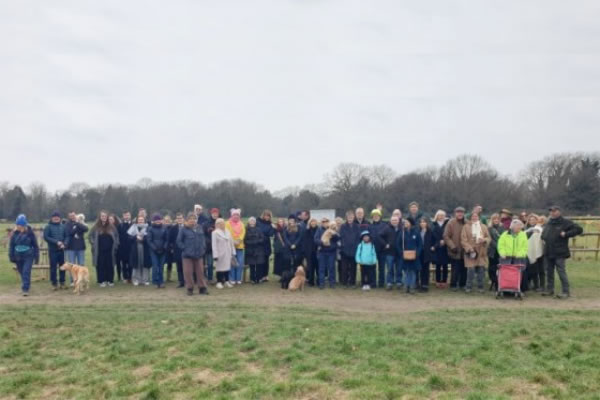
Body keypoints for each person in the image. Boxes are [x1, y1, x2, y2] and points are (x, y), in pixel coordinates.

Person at [541, 206, 583, 299]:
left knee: (561, 271)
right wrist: (543, 237)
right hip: (548, 251)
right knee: (549, 272)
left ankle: (565, 291)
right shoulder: (549, 222)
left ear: (559, 212)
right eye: (551, 211)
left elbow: (579, 229)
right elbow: (544, 234)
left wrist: (566, 234)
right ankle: (550, 289)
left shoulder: (566, 222)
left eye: (554, 211)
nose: (552, 213)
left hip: (560, 252)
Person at [177, 212, 209, 295]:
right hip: (187, 255)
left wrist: (203, 249)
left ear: (196, 220)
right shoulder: (183, 229)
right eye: (190, 219)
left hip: (199, 255)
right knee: (188, 273)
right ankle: (190, 288)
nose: (192, 220)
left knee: (200, 272)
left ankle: (202, 288)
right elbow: (179, 241)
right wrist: (185, 249)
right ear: (187, 220)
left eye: (194, 219)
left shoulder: (200, 228)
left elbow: (203, 240)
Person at [9, 214, 39, 296]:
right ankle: (27, 284)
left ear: (25, 225)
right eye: (18, 225)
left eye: (21, 225)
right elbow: (11, 246)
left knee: (26, 271)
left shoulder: (30, 233)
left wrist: (37, 257)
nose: (20, 227)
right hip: (18, 256)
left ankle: (25, 289)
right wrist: (11, 256)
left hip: (28, 256)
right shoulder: (14, 234)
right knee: (22, 272)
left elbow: (35, 245)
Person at [460, 212, 490, 293]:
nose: (474, 217)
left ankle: (481, 287)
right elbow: (463, 240)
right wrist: (469, 248)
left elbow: (488, 238)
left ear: (478, 217)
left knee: (481, 270)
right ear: (470, 217)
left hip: (481, 252)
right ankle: (468, 287)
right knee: (471, 270)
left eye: (476, 216)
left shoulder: (483, 227)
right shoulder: (466, 227)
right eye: (473, 216)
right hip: (471, 252)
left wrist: (484, 240)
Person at [88, 211, 119, 287]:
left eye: (105, 216)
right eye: (102, 216)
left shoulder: (112, 226)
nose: (103, 217)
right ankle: (101, 281)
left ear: (107, 217)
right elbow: (90, 236)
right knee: (100, 265)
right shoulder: (96, 226)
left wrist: (116, 245)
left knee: (110, 265)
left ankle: (110, 281)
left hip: (110, 251)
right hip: (99, 251)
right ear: (100, 217)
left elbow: (116, 236)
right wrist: (93, 243)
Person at [396, 217, 422, 294]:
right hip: (404, 256)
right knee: (406, 271)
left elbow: (420, 244)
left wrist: (417, 253)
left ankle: (412, 287)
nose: (405, 223)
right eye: (405, 222)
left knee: (413, 272)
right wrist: (401, 252)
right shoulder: (402, 232)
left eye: (407, 222)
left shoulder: (416, 232)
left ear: (411, 223)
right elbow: (398, 244)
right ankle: (406, 286)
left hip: (414, 256)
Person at [444, 207, 467, 291]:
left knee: (464, 269)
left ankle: (463, 284)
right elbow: (446, 236)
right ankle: (453, 284)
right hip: (455, 249)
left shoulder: (467, 222)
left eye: (461, 212)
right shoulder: (451, 223)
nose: (460, 214)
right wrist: (452, 246)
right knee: (455, 269)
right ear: (455, 213)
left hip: (465, 250)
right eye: (458, 212)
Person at [43, 211, 67, 290]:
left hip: (61, 250)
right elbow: (46, 237)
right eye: (54, 217)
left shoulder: (63, 226)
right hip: (53, 250)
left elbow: (67, 236)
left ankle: (62, 282)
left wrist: (64, 244)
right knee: (53, 267)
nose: (56, 218)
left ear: (59, 218)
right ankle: (54, 283)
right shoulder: (48, 227)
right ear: (52, 218)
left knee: (62, 267)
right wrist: (56, 242)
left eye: (57, 217)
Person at [314, 217, 339, 289]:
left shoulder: (333, 229)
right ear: (321, 223)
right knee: (321, 268)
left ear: (328, 222)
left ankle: (332, 283)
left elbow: (337, 239)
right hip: (322, 252)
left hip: (331, 252)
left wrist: (333, 235)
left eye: (326, 221)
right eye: (323, 222)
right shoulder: (319, 230)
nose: (325, 223)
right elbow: (315, 239)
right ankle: (321, 284)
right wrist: (322, 243)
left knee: (332, 268)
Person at [212, 218, 236, 289]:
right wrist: (215, 255)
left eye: (223, 223)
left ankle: (226, 281)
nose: (222, 224)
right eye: (219, 223)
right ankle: (219, 282)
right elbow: (214, 245)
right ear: (217, 224)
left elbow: (231, 243)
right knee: (219, 268)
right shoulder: (215, 233)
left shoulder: (228, 232)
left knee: (227, 268)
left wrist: (233, 252)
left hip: (228, 253)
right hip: (220, 253)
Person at [147, 213, 169, 289]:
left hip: (163, 250)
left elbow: (167, 239)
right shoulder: (150, 229)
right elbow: (149, 240)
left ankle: (161, 281)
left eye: (159, 220)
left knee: (161, 266)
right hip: (154, 251)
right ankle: (155, 281)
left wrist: (164, 247)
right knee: (155, 266)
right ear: (153, 221)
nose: (158, 221)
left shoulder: (164, 228)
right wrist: (155, 248)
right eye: (156, 220)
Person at [379, 215, 402, 290]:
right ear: (390, 221)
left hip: (399, 252)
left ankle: (399, 282)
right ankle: (390, 283)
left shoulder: (402, 228)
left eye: (396, 220)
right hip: (389, 252)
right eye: (393, 220)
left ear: (398, 221)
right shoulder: (387, 228)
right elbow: (380, 236)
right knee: (390, 269)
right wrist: (385, 244)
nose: (394, 222)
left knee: (399, 269)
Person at [339, 211, 360, 288]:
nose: (350, 219)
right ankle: (345, 283)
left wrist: (356, 246)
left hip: (354, 250)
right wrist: (343, 246)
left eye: (351, 217)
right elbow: (341, 237)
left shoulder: (357, 226)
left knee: (353, 268)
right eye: (348, 217)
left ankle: (352, 283)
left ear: (353, 217)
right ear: (346, 218)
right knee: (344, 268)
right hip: (344, 250)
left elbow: (358, 237)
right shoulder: (343, 226)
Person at [128, 215, 151, 286]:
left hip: (145, 248)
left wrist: (143, 239)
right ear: (137, 220)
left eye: (142, 220)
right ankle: (136, 280)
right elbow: (129, 238)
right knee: (136, 264)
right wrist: (135, 237)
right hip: (135, 248)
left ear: (144, 221)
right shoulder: (133, 227)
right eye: (139, 220)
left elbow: (150, 238)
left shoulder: (148, 228)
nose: (140, 221)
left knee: (145, 264)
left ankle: (145, 280)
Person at [225, 208, 246, 285]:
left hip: (240, 246)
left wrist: (239, 240)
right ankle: (232, 278)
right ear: (232, 215)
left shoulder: (242, 224)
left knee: (240, 263)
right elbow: (226, 232)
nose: (236, 216)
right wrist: (232, 241)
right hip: (230, 246)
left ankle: (238, 278)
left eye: (237, 215)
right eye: (234, 215)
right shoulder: (227, 223)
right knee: (232, 262)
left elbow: (243, 233)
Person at [525, 214, 545, 292]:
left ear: (537, 220)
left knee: (541, 269)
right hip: (530, 251)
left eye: (534, 219)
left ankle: (542, 285)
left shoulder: (539, 229)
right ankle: (536, 285)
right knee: (533, 269)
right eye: (530, 220)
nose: (532, 221)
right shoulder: (527, 229)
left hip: (539, 250)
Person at [369, 209, 387, 288]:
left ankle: (381, 283)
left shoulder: (384, 225)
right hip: (372, 250)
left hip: (382, 250)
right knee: (372, 267)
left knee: (381, 268)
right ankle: (373, 283)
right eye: (374, 216)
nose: (376, 217)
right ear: (372, 217)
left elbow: (388, 236)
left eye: (377, 216)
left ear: (380, 216)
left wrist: (387, 244)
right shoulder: (370, 226)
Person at [244, 217, 266, 284]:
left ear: (255, 222)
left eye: (253, 220)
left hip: (259, 249)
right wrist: (251, 243)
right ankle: (252, 279)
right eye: (251, 220)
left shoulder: (259, 229)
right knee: (252, 266)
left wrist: (257, 242)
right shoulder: (246, 229)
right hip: (250, 250)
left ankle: (258, 278)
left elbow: (262, 238)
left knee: (259, 265)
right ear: (249, 222)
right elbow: (245, 240)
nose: (252, 221)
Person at [431, 210, 449, 289]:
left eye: (442, 215)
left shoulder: (447, 224)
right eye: (439, 215)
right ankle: (438, 281)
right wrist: (438, 243)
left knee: (445, 265)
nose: (441, 217)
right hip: (437, 247)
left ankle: (444, 281)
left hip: (445, 247)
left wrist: (445, 241)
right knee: (438, 266)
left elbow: (449, 234)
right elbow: (432, 236)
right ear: (436, 216)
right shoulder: (433, 225)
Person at [487, 213, 504, 291]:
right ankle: (492, 280)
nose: (496, 220)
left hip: (501, 251)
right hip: (492, 250)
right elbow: (489, 239)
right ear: (492, 220)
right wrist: (497, 246)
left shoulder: (502, 227)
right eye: (494, 219)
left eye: (497, 219)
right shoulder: (489, 228)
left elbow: (504, 238)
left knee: (500, 266)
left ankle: (499, 281)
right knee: (492, 267)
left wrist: (501, 247)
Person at [256, 210, 275, 283]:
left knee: (266, 261)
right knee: (260, 261)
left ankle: (265, 276)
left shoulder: (270, 224)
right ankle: (260, 276)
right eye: (266, 215)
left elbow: (270, 234)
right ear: (263, 215)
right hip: (259, 244)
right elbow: (258, 231)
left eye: (268, 216)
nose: (267, 217)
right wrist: (263, 235)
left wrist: (273, 227)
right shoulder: (258, 222)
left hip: (266, 244)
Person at [418, 217, 434, 292]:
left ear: (426, 223)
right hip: (420, 253)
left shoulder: (430, 231)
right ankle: (421, 285)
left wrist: (433, 247)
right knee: (421, 270)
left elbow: (435, 241)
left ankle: (425, 286)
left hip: (427, 253)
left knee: (426, 270)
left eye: (424, 222)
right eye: (421, 222)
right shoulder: (418, 231)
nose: (422, 223)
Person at [169, 213, 186, 288]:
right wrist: (172, 248)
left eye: (181, 218)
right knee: (179, 267)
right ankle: (181, 282)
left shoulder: (186, 227)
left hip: (186, 249)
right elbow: (171, 239)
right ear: (176, 219)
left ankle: (187, 281)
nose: (179, 219)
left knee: (186, 266)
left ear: (183, 219)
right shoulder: (173, 228)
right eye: (178, 218)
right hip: (177, 250)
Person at [204, 208, 220, 283]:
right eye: (213, 213)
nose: (215, 214)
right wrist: (209, 241)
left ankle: (219, 277)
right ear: (211, 214)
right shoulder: (206, 223)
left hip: (219, 246)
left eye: (216, 213)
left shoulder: (220, 222)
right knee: (210, 264)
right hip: (209, 247)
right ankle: (210, 278)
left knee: (219, 263)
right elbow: (204, 235)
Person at [117, 211, 133, 284]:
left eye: (128, 215)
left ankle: (131, 277)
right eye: (125, 215)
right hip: (122, 248)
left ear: (130, 216)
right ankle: (125, 277)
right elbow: (118, 237)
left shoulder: (133, 225)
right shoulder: (120, 225)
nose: (127, 216)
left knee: (131, 263)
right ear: (123, 216)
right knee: (123, 264)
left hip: (131, 248)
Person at [302, 218, 319, 286]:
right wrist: (305, 253)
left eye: (314, 222)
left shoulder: (319, 230)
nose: (313, 223)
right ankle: (311, 281)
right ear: (310, 223)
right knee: (310, 268)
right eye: (312, 222)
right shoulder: (307, 231)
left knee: (318, 267)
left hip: (318, 251)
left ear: (316, 223)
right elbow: (304, 242)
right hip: (309, 252)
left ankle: (319, 281)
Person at [162, 215, 174, 282]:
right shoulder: (162, 227)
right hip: (163, 247)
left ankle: (168, 277)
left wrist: (172, 247)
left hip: (170, 248)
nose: (167, 222)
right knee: (162, 263)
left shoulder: (172, 228)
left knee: (170, 263)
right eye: (166, 220)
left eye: (168, 220)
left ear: (170, 221)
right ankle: (161, 277)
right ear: (164, 221)